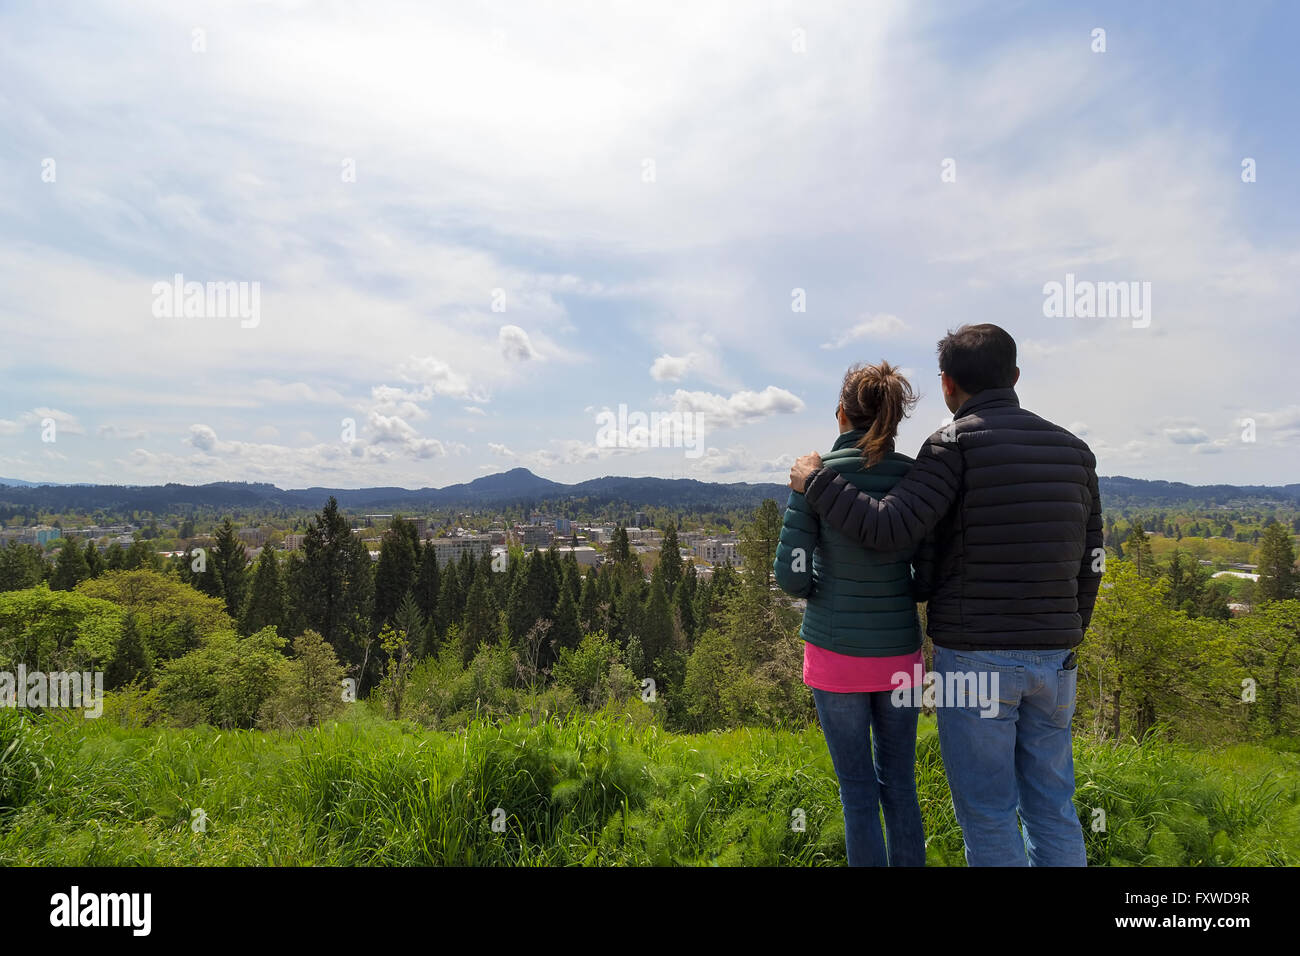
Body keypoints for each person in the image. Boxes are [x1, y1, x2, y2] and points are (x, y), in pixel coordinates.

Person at [787, 324, 1102, 867]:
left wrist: (815, 483)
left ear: (948, 383)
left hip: (976, 656)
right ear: (1016, 377)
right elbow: (1089, 562)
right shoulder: (1075, 452)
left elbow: (887, 529)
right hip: (1056, 658)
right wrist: (1069, 633)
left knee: (987, 810)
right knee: (1053, 805)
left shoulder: (953, 445)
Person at [773, 361, 929, 867]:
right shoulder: (914, 478)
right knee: (900, 784)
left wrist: (827, 589)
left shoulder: (814, 481)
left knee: (857, 791)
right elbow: (927, 576)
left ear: (841, 413)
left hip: (836, 656)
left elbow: (791, 575)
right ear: (894, 419)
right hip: (899, 655)